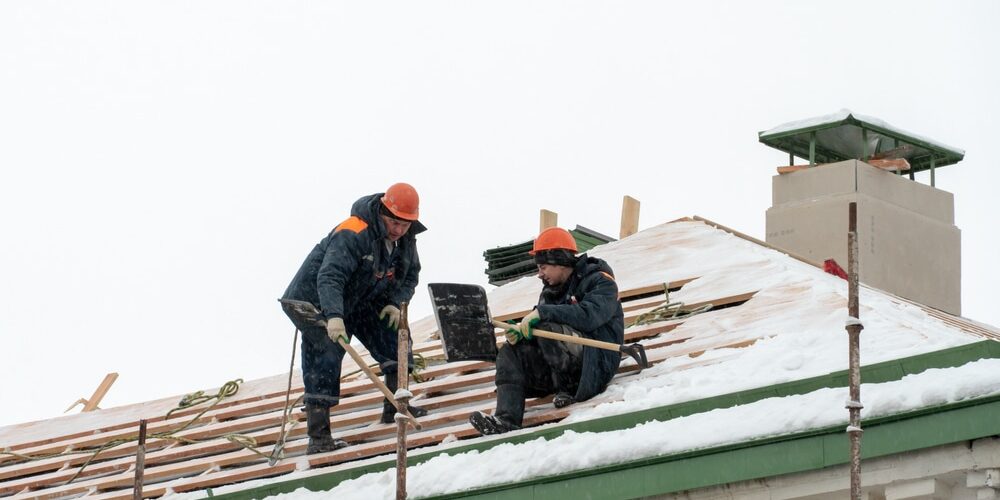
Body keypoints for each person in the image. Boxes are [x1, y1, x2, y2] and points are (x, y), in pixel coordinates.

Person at [281, 182, 428, 454]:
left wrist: (396, 303)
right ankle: (319, 438)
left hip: (360, 297)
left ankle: (396, 407)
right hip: (314, 300)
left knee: (394, 336)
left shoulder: (406, 239)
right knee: (325, 350)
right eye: (393, 223)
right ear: (382, 212)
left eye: (405, 225)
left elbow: (410, 276)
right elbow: (330, 277)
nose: (398, 231)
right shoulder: (354, 231)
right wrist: (334, 317)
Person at [469, 227, 625, 435]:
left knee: (546, 327)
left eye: (543, 267)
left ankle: (569, 388)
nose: (539, 274)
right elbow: (543, 330)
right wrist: (522, 337)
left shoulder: (600, 280)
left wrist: (541, 314)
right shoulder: (550, 290)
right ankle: (506, 419)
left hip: (594, 364)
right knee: (510, 351)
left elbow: (590, 316)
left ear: (559, 261)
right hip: (558, 370)